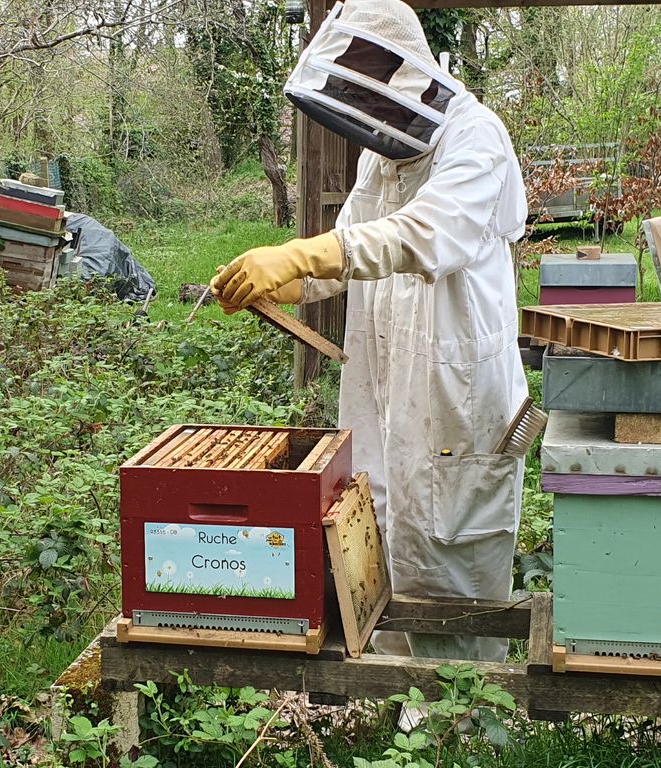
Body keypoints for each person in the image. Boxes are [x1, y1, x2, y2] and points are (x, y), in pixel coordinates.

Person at [211, 0, 528, 663]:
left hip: (458, 404)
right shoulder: (382, 158)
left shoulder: (476, 137)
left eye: (365, 88)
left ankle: (466, 710)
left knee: (455, 572)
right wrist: (284, 281)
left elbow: (425, 234)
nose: (364, 110)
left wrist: (300, 256)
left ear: (398, 73)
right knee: (382, 536)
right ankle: (402, 696)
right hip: (386, 391)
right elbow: (349, 249)